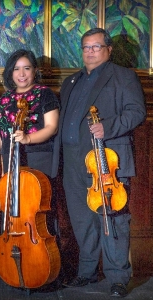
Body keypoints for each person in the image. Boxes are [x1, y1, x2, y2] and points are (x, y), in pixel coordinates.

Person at [52, 28, 146, 298]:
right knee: (82, 220)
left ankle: (117, 277)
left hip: (105, 160)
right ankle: (87, 272)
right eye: (85, 47)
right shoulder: (71, 81)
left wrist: (109, 127)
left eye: (95, 46)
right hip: (72, 161)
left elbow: (136, 112)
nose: (90, 51)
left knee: (112, 219)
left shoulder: (123, 76)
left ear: (108, 49)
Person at [0, 49, 60, 236]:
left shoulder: (45, 94)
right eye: (16, 69)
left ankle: (44, 256)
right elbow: (3, 134)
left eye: (27, 68)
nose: (22, 74)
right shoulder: (5, 99)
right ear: (10, 72)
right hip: (12, 159)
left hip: (39, 157)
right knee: (14, 208)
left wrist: (28, 138)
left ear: (35, 71)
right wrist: (2, 160)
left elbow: (51, 127)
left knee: (39, 209)